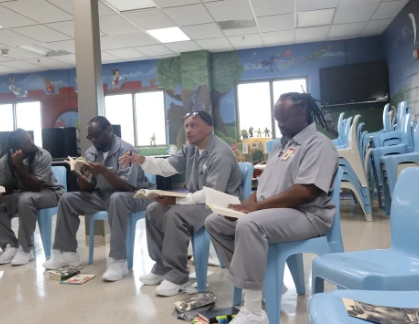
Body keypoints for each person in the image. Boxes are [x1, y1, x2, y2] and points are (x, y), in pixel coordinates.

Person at [205, 93, 338, 324]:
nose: (279, 125)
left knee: (250, 224)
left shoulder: (319, 145)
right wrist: (246, 204)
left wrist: (255, 209)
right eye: (277, 119)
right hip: (276, 212)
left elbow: (305, 192)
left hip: (308, 215)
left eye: (284, 119)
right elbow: (265, 186)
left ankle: (254, 311)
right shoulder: (281, 146)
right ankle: (263, 284)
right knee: (216, 222)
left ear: (302, 113)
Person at [119, 111, 241, 294]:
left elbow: (212, 193)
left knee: (176, 214)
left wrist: (178, 201)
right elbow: (167, 167)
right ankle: (161, 267)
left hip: (220, 205)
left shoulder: (220, 153)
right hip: (199, 202)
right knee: (154, 210)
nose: (189, 130)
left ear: (209, 129)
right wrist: (140, 160)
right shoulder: (190, 148)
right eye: (187, 126)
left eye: (194, 126)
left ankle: (178, 276)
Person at [44, 116, 152, 282]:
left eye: (96, 135)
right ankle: (67, 253)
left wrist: (104, 171)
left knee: (117, 199)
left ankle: (118, 261)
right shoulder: (91, 153)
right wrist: (82, 176)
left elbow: (128, 187)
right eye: (90, 137)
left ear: (109, 130)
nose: (93, 140)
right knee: (67, 199)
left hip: (135, 195)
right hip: (104, 195)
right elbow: (88, 188)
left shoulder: (127, 150)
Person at [0, 129, 64, 266]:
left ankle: (26, 249)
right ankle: (10, 245)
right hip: (24, 193)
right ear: (17, 148)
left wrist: (20, 167)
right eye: (27, 141)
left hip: (50, 192)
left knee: (26, 199)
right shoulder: (5, 160)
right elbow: (8, 185)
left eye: (31, 139)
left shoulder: (43, 155)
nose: (32, 143)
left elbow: (37, 186)